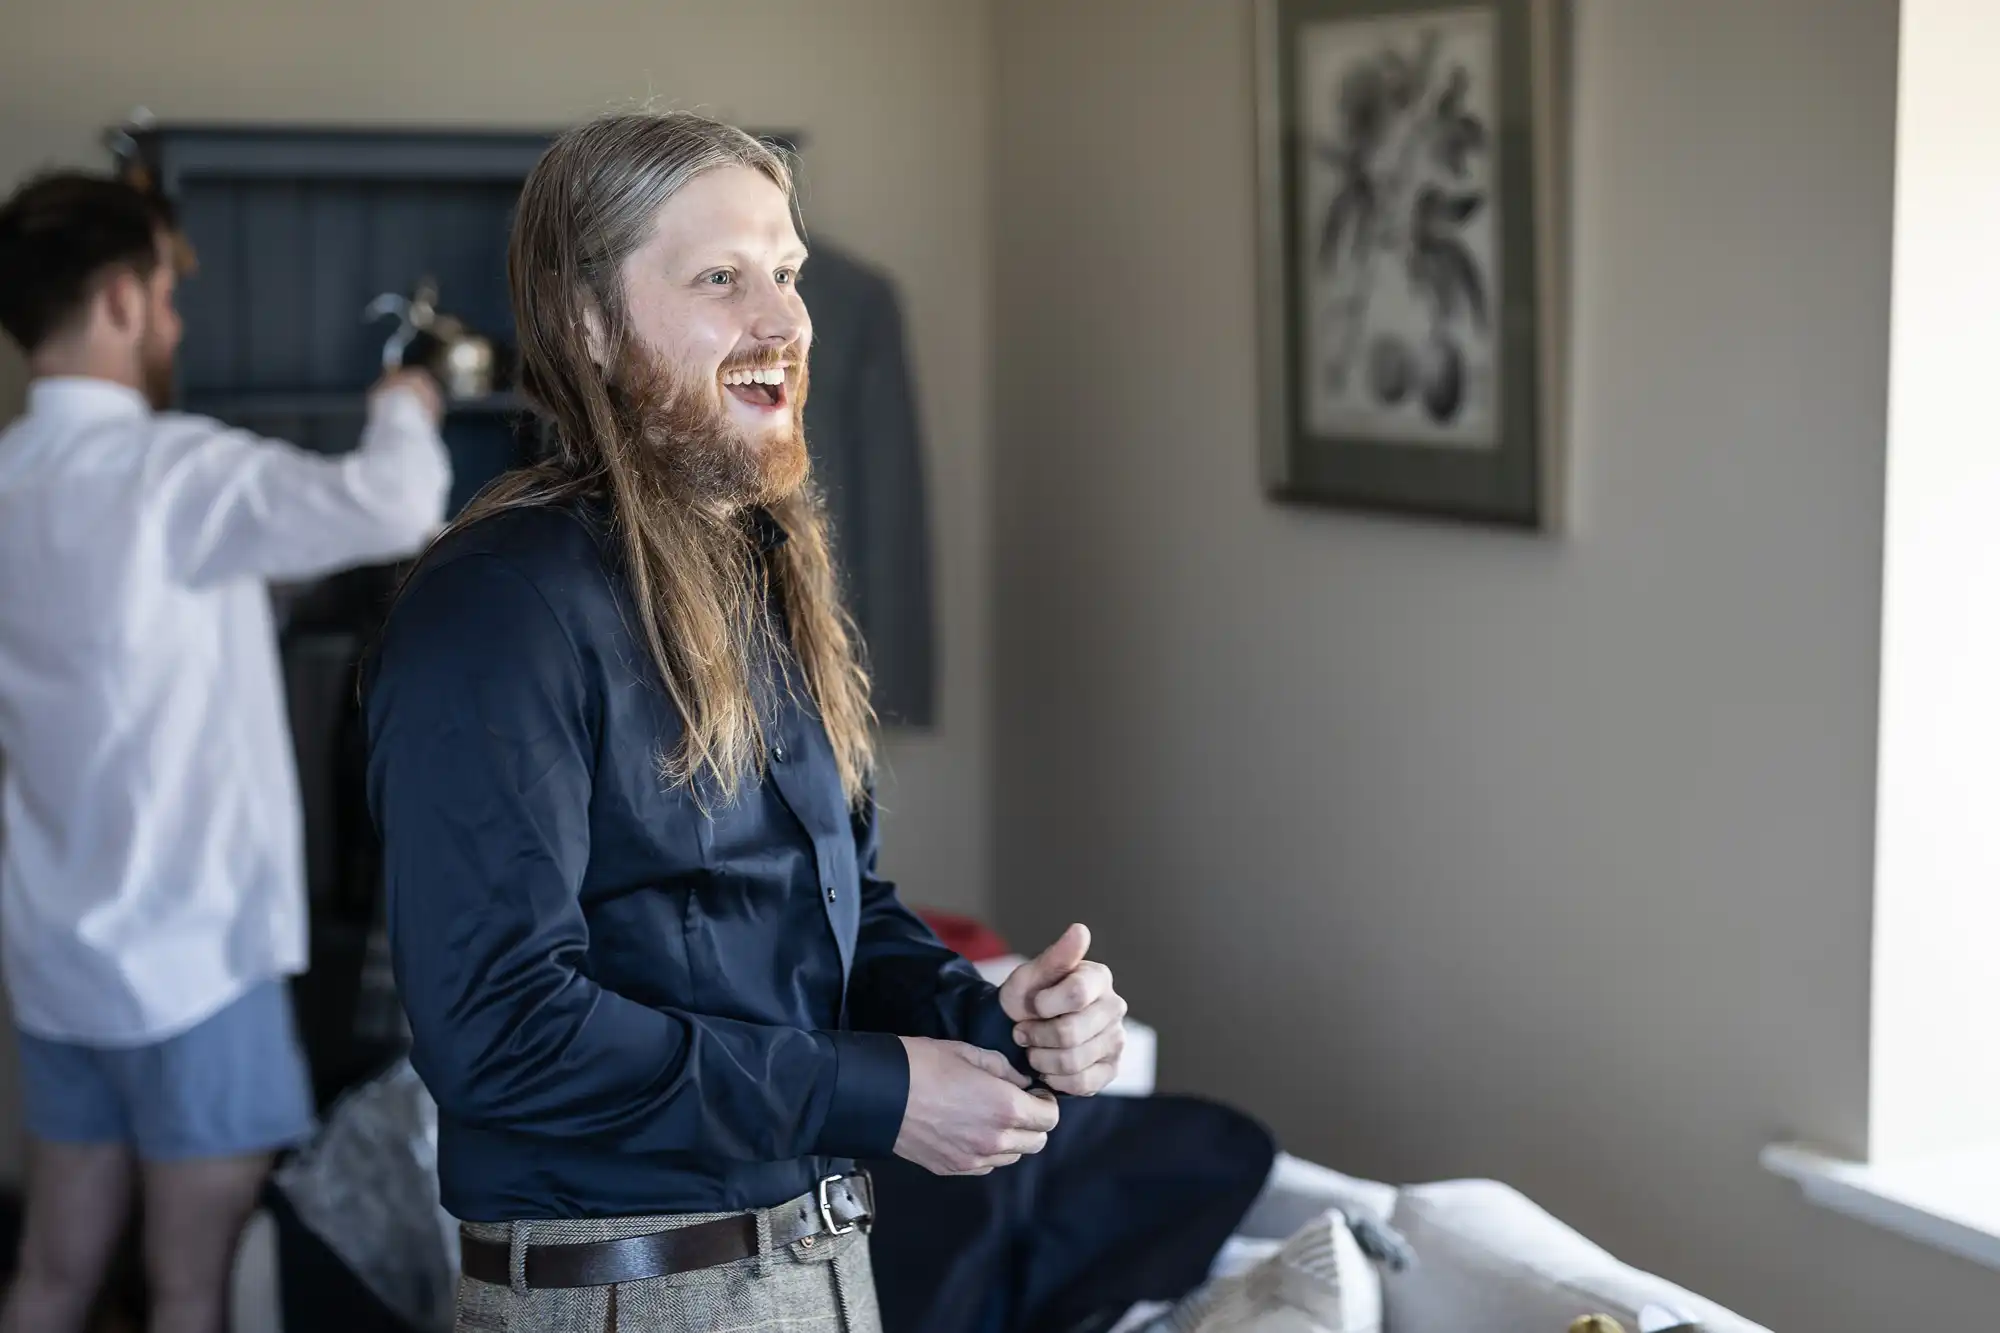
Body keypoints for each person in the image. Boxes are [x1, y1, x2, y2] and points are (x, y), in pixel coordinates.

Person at [363, 111, 1127, 1333]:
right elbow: (500, 1029)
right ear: (588, 323)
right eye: (720, 278)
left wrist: (990, 1025)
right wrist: (878, 1092)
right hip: (632, 1297)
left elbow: (830, 915)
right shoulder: (498, 609)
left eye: (787, 271)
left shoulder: (760, 574)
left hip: (812, 1273)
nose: (782, 319)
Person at [0, 171, 451, 1333]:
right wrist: (407, 401)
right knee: (190, 1288)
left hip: (56, 961)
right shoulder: (177, 473)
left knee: (52, 1273)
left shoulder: (13, 487)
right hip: (197, 961)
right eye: (164, 293)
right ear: (116, 298)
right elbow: (395, 503)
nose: (176, 321)